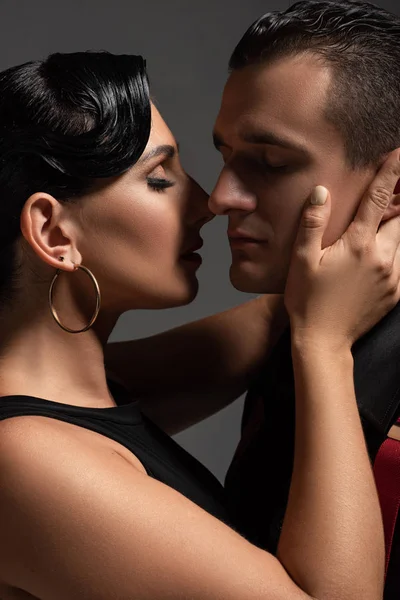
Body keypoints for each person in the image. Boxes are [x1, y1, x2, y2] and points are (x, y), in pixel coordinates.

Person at [0, 50, 398, 600]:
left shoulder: (91, 390)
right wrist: (324, 345)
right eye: (160, 179)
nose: (208, 201)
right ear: (54, 233)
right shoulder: (25, 461)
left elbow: (286, 311)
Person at [103, 1, 400, 598]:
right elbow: (77, 395)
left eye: (269, 163)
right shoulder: (299, 316)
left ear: (391, 189)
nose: (220, 198)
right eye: (227, 157)